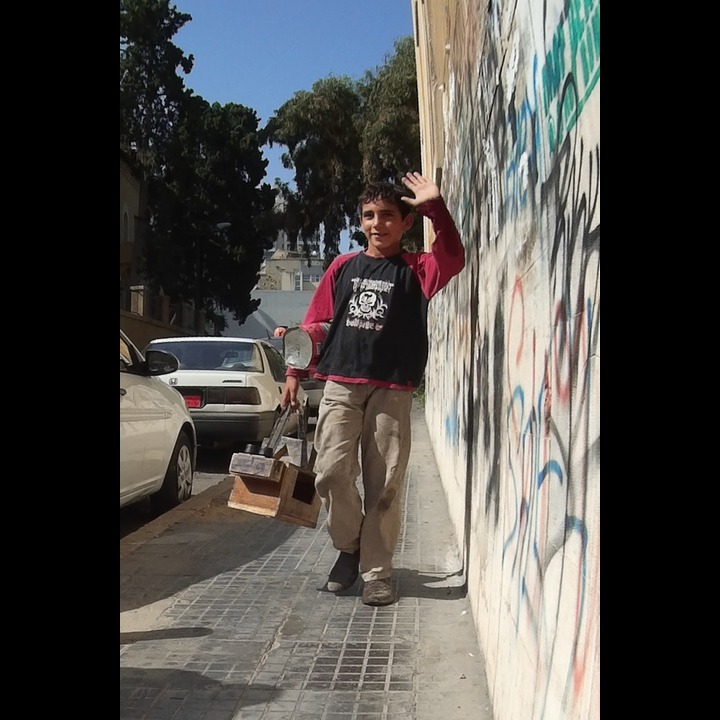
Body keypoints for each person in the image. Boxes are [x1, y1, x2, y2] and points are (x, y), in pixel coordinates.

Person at [281, 171, 465, 606]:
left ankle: (378, 572)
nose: (376, 223)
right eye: (368, 215)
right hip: (341, 384)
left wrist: (434, 207)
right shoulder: (343, 267)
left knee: (385, 484)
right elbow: (317, 323)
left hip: (392, 388)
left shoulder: (418, 269)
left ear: (405, 223)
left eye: (387, 215)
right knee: (330, 473)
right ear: (360, 221)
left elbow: (454, 257)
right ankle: (349, 547)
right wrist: (294, 370)